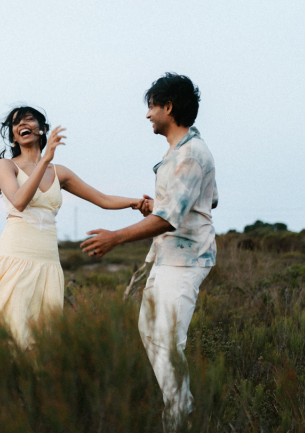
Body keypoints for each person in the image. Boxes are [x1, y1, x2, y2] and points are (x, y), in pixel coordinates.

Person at [80, 74, 218, 428]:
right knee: (150, 331)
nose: (148, 115)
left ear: (168, 107)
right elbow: (208, 200)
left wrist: (115, 237)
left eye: (152, 107)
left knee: (167, 340)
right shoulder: (178, 152)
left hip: (185, 259)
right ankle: (178, 407)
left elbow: (171, 218)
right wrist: (159, 205)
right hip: (166, 256)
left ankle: (180, 416)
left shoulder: (191, 154)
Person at [0, 106, 145, 350]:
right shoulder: (6, 166)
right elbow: (19, 201)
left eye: (28, 120)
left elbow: (103, 199)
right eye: (16, 123)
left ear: (42, 129)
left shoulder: (59, 172)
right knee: (5, 329)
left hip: (48, 263)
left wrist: (138, 203)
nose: (22, 124)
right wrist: (45, 160)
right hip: (15, 258)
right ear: (13, 136)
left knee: (39, 338)